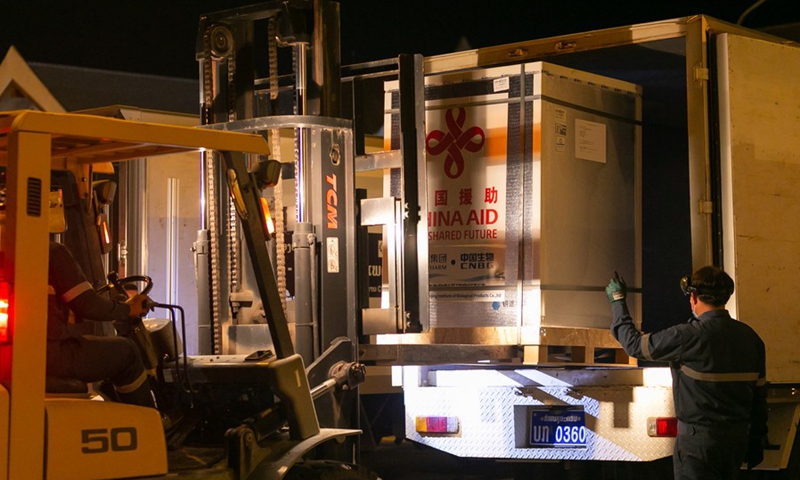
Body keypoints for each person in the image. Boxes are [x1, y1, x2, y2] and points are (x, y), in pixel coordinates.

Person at [606, 266, 767, 480]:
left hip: (698, 444)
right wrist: (757, 439)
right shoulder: (751, 339)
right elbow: (759, 396)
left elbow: (635, 345)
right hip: (735, 441)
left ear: (693, 297)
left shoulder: (688, 336)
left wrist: (618, 302)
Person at [46, 240, 155, 408]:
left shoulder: (10, 250)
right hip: (49, 356)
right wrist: (128, 308)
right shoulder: (51, 252)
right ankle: (148, 424)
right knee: (127, 352)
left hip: (19, 356)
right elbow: (88, 305)